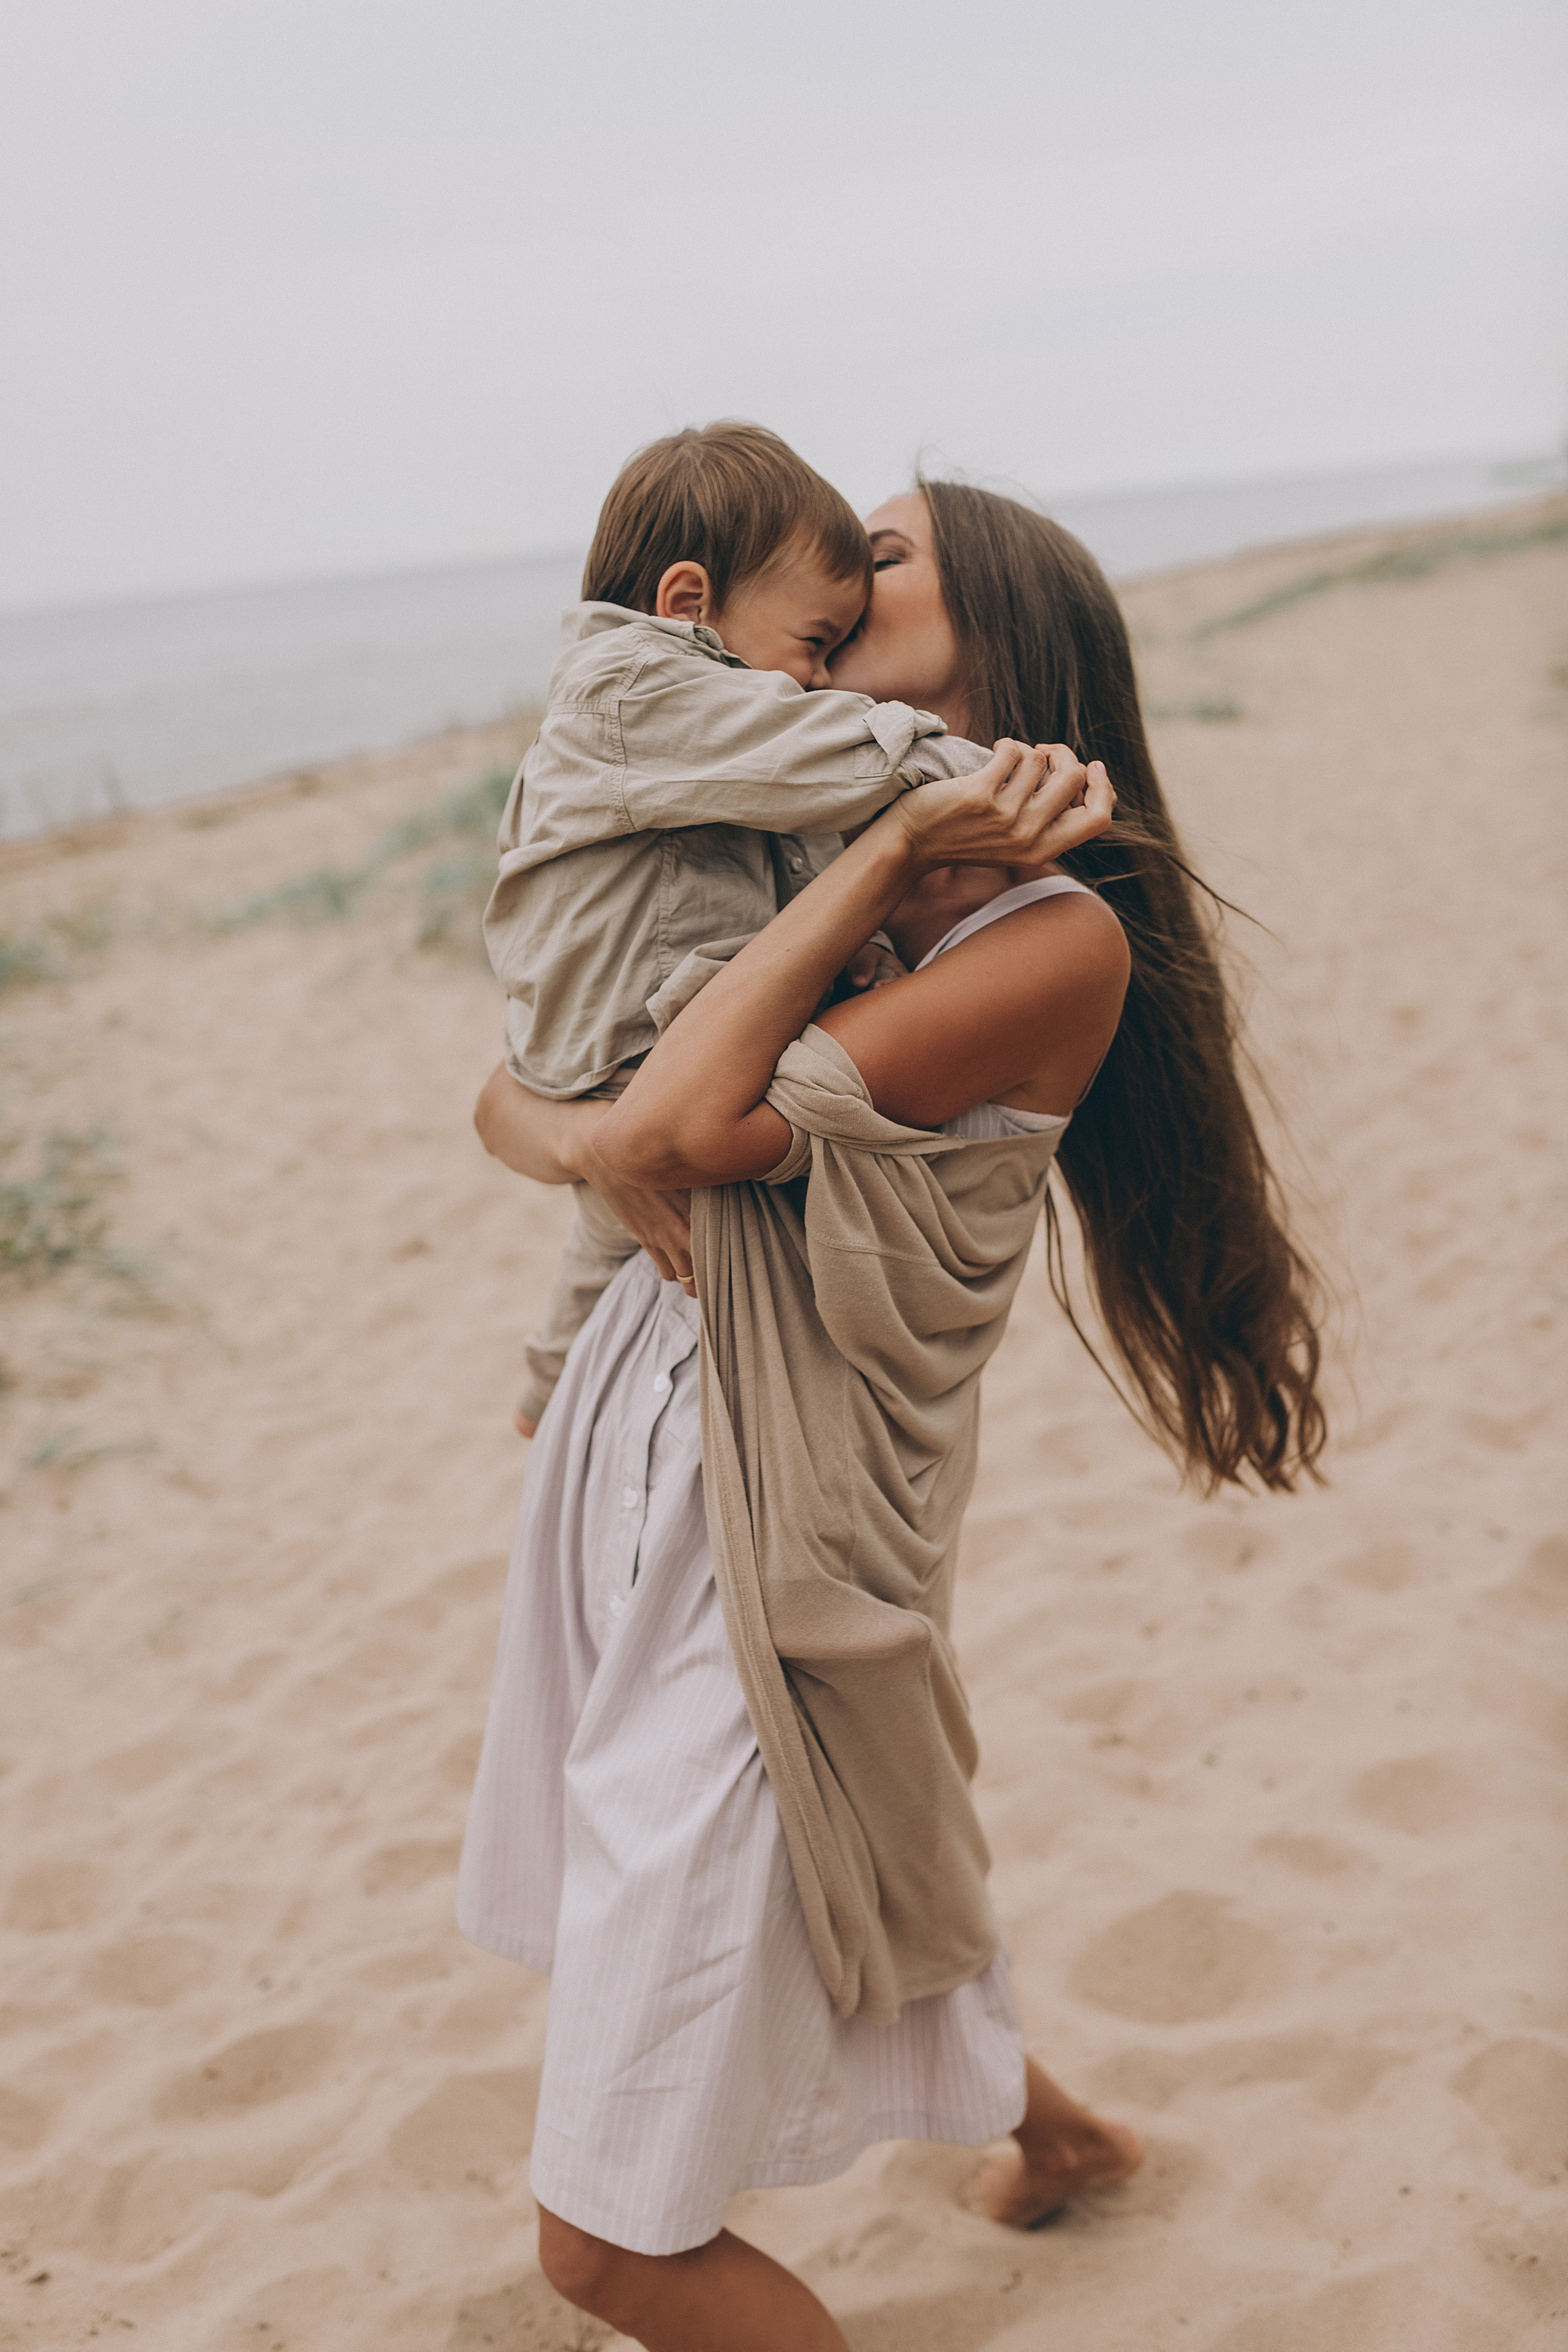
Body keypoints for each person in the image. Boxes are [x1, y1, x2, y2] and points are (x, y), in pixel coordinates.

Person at [461, 480, 1325, 2351]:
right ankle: (1063, 2132)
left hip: (780, 1522)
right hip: (655, 1457)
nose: (849, 557)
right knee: (862, 1823)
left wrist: (858, 876)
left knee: (606, 2248)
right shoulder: (794, 842)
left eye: (897, 544)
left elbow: (676, 1129)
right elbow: (527, 1093)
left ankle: (1042, 2123)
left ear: (1000, 637)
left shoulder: (1047, 938)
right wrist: (578, 1132)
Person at [484, 421, 989, 1437]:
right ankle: (548, 1405)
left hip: (627, 1049)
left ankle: (550, 1401)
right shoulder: (634, 688)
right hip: (627, 1052)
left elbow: (785, 863)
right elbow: (822, 754)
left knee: (607, 1255)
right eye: (812, 644)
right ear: (689, 605)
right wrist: (982, 772)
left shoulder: (682, 726)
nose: (812, 678)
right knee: (605, 1262)